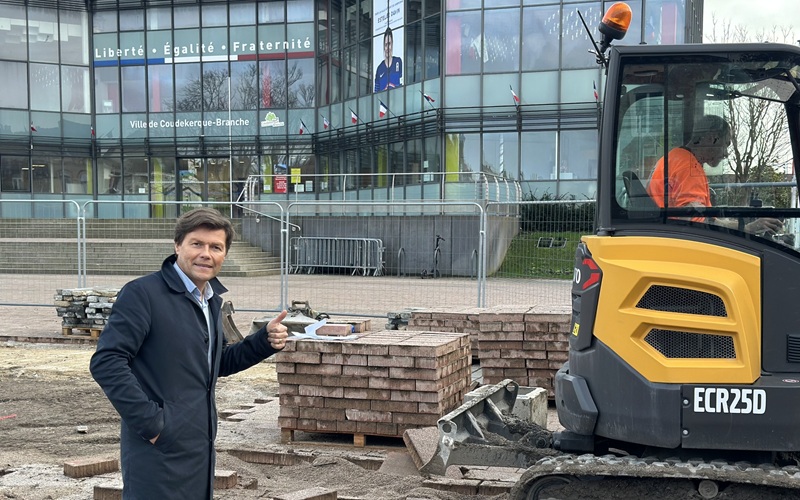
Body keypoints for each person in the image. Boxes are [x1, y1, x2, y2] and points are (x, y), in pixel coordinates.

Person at [90, 207, 289, 499]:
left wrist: (263, 341)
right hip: (157, 449)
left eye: (216, 247)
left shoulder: (210, 301)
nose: (206, 253)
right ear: (177, 245)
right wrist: (152, 425)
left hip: (199, 446)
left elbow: (214, 363)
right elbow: (106, 361)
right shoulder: (143, 294)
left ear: (224, 255)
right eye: (197, 244)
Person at [646, 114, 782, 234]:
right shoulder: (690, 169)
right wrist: (747, 228)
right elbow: (698, 224)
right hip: (676, 237)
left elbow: (699, 216)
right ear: (712, 139)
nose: (726, 154)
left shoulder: (675, 156)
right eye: (726, 145)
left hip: (665, 230)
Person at [374, 26, 403, 92]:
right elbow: (376, 93)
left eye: (389, 44)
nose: (387, 48)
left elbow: (403, 85)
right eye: (385, 45)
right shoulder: (379, 69)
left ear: (392, 44)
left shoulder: (398, 62)